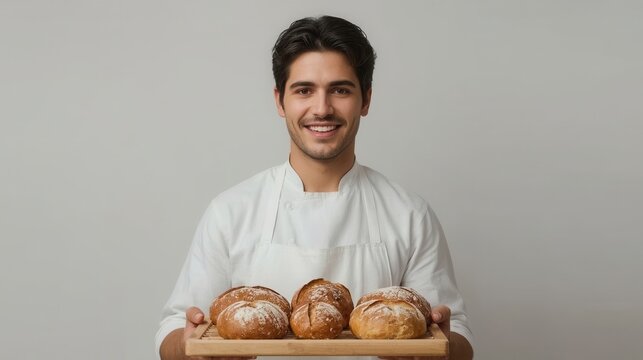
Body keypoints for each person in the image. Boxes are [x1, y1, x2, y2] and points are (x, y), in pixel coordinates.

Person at [156, 15, 474, 360]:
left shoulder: (409, 214)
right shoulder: (231, 211)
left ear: (365, 100)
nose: (322, 109)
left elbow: (456, 337)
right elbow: (175, 328)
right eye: (304, 90)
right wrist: (189, 348)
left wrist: (440, 347)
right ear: (280, 101)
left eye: (340, 90)